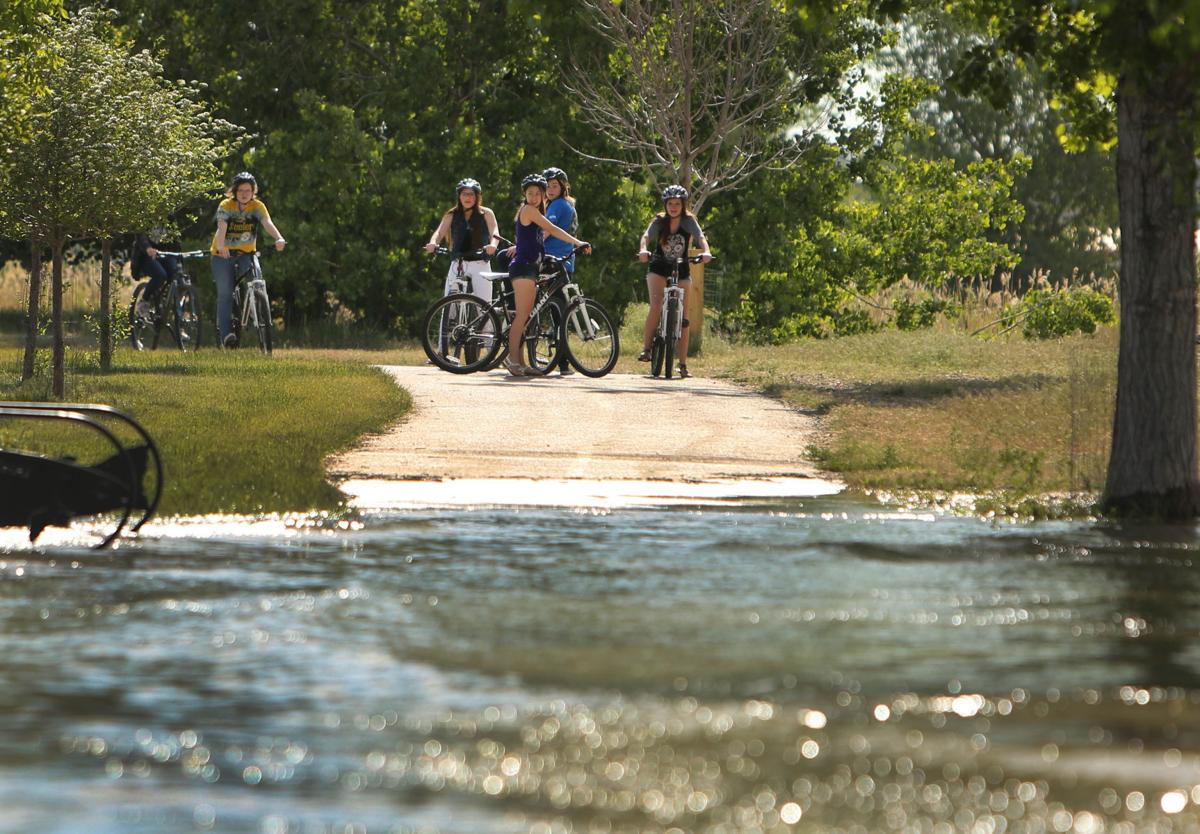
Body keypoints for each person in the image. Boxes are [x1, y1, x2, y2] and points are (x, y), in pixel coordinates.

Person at [506, 173, 590, 377]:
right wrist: (577, 242)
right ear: (525, 195)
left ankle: (522, 363)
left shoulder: (535, 211)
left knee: (525, 318)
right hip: (523, 267)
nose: (534, 197)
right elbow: (552, 229)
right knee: (522, 317)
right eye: (530, 193)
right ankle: (512, 359)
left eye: (538, 193)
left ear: (543, 195)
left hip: (531, 268)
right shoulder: (528, 210)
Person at [637, 184, 712, 379]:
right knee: (656, 305)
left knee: (684, 317)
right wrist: (644, 249)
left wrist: (706, 251)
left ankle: (682, 363)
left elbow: (700, 237)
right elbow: (646, 236)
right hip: (659, 267)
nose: (673, 207)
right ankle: (646, 349)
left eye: (677, 203)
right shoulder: (659, 221)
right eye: (670, 203)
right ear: (665, 204)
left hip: (682, 267)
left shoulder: (689, 221)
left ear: (683, 205)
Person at [210, 172, 286, 348]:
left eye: (248, 190)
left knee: (256, 280)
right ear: (234, 191)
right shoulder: (226, 205)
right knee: (225, 294)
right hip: (222, 255)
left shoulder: (257, 207)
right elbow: (222, 227)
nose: (245, 193)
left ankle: (256, 305)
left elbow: (267, 222)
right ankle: (226, 335)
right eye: (241, 190)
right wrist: (221, 246)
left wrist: (279, 238)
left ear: (253, 191)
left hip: (246, 253)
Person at [423, 178, 501, 304]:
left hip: (480, 263)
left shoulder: (486, 213)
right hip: (458, 263)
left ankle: (487, 324)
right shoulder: (452, 214)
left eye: (471, 194)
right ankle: (448, 323)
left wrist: (493, 245)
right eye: (464, 194)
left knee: (485, 307)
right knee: (448, 304)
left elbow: (495, 232)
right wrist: (433, 243)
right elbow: (439, 232)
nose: (468, 197)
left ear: (477, 196)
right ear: (459, 196)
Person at [542, 166, 578, 376]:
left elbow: (547, 229)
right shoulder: (568, 205)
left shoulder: (556, 205)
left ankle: (563, 361)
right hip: (565, 261)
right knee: (559, 310)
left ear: (563, 186)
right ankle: (563, 361)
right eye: (547, 186)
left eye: (554, 185)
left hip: (552, 262)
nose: (550, 189)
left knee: (557, 312)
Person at [131, 227, 181, 319]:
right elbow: (141, 236)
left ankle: (167, 304)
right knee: (160, 275)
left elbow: (175, 236)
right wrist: (148, 248)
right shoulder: (146, 215)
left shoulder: (169, 216)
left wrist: (179, 256)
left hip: (165, 253)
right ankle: (144, 301)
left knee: (176, 273)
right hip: (145, 256)